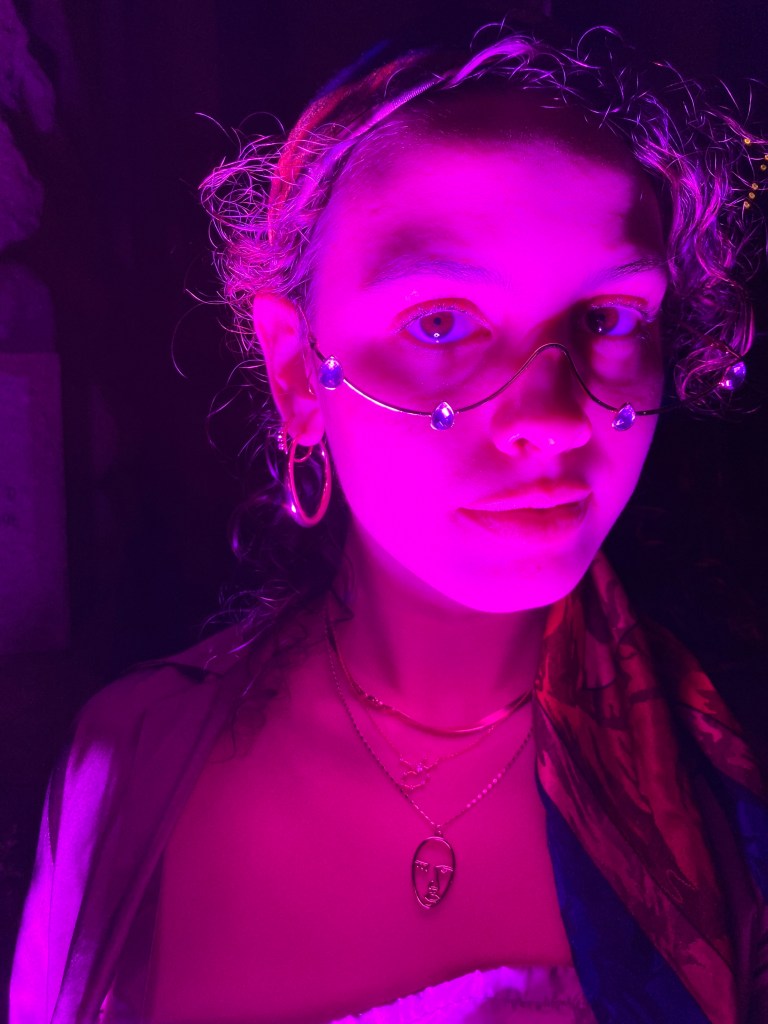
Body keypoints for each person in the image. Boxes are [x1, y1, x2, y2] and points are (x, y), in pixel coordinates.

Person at [10, 21, 768, 1024]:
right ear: (296, 371)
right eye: (441, 322)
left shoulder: (737, 782)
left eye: (607, 318)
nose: (552, 419)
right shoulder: (127, 768)